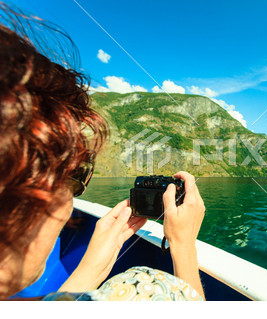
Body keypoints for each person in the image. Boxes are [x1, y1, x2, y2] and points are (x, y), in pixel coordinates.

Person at [0, 3, 205, 301]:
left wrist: (93, 268)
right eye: (74, 175)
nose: (68, 206)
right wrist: (184, 244)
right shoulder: (143, 288)